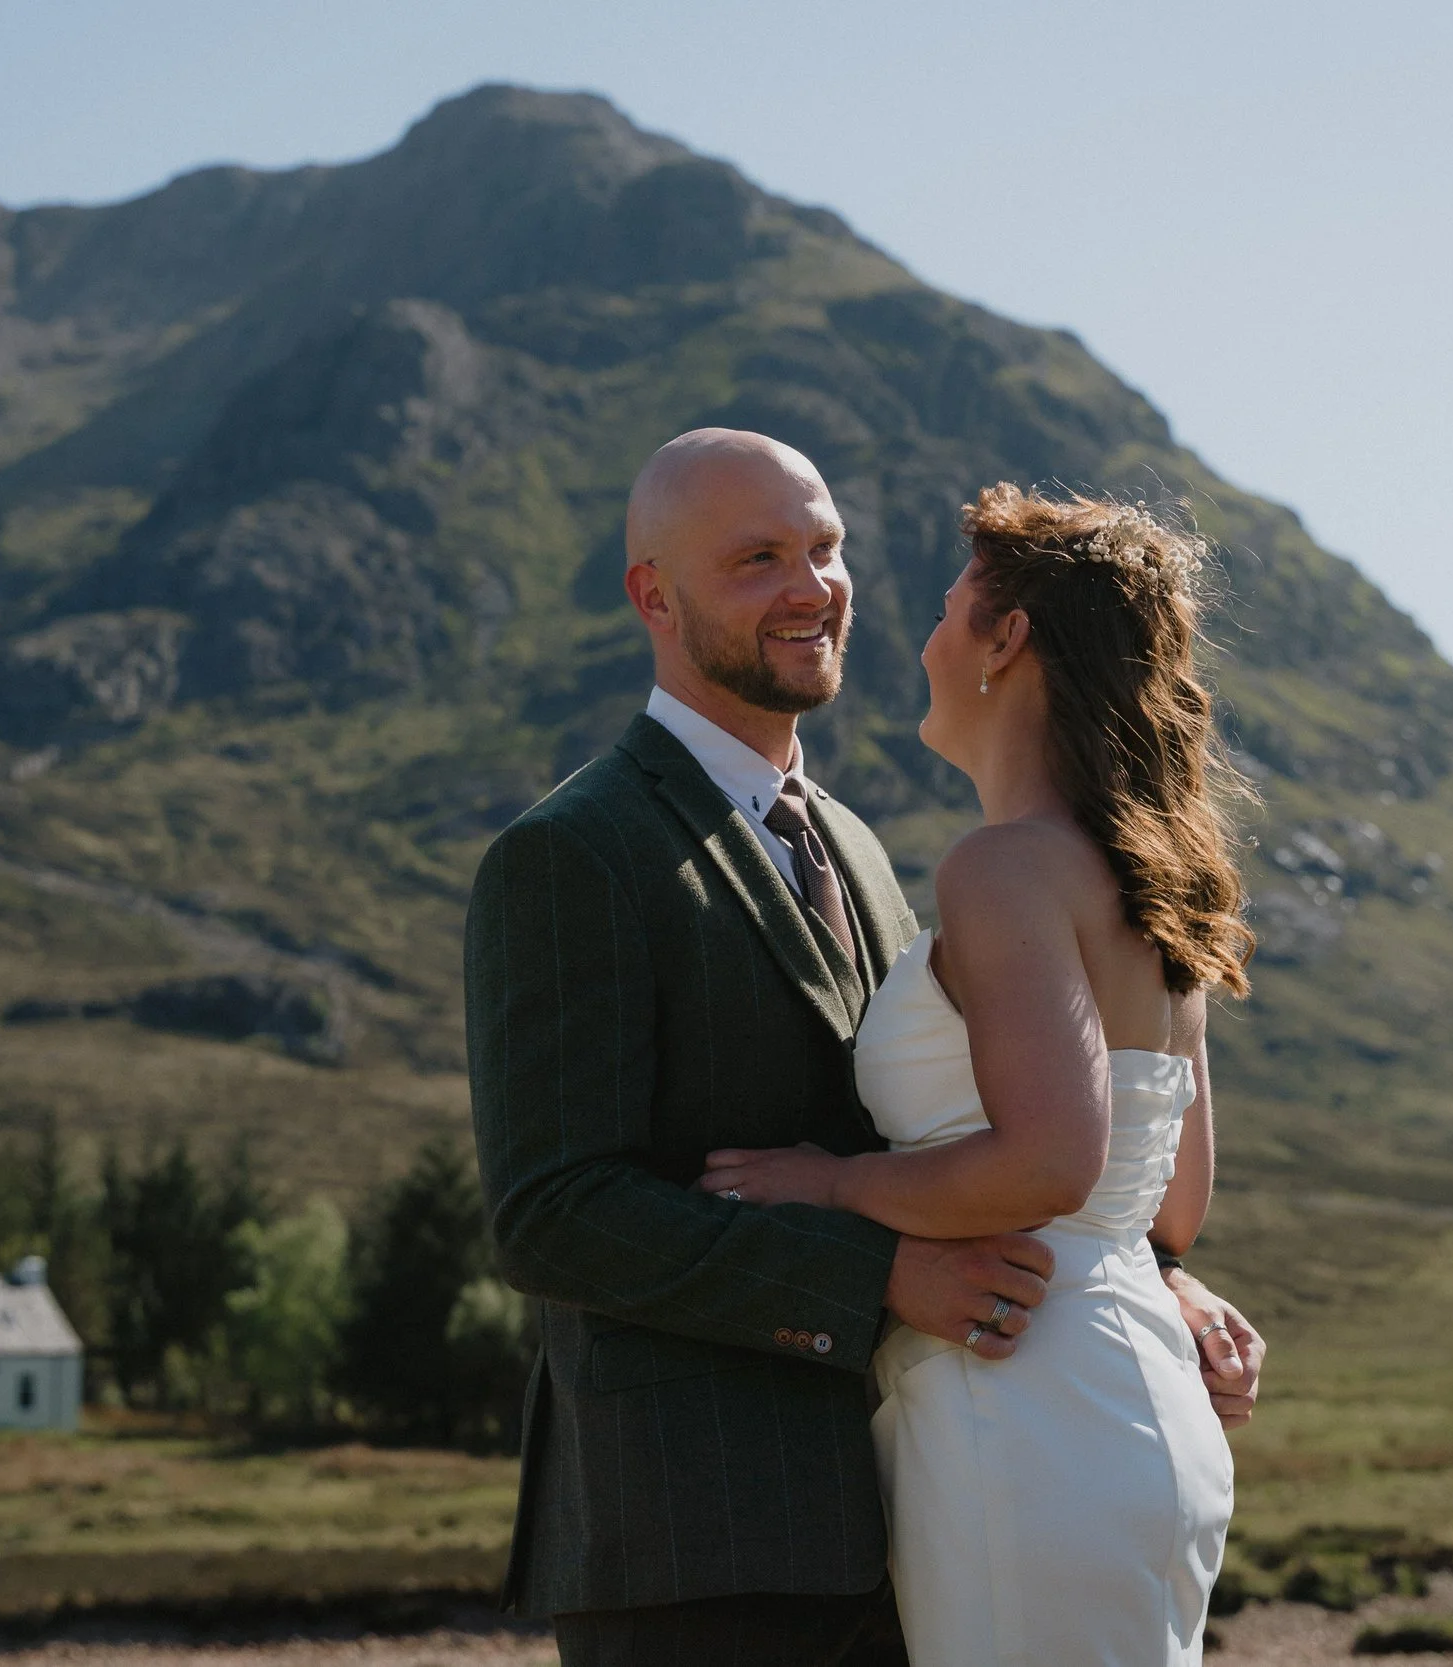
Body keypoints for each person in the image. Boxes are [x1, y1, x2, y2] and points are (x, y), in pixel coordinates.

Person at [466, 431, 1261, 1667]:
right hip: (697, 1539)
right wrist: (870, 1275)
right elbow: (551, 1211)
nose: (811, 585)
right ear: (653, 595)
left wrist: (1150, 1272)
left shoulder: (861, 848)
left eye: (825, 548)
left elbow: (980, 1132)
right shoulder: (571, 853)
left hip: (917, 1493)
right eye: (757, 558)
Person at [698, 482, 1255, 1665]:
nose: (924, 639)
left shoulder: (1003, 868)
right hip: (1139, 1396)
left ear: (1006, 642)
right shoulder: (1158, 880)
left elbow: (1054, 1159)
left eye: (952, 611)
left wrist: (831, 1184)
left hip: (1023, 1405)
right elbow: (1173, 1211)